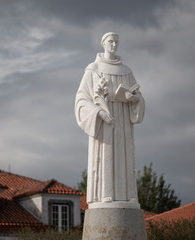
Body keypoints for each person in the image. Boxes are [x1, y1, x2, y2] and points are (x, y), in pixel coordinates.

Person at [75, 32, 145, 208]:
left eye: (116, 42)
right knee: (106, 155)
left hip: (123, 118)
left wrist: (134, 98)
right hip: (105, 118)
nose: (114, 45)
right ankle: (105, 194)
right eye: (110, 42)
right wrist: (98, 112)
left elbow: (138, 94)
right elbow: (82, 98)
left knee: (125, 155)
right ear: (104, 44)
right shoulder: (93, 69)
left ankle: (129, 195)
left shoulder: (127, 71)